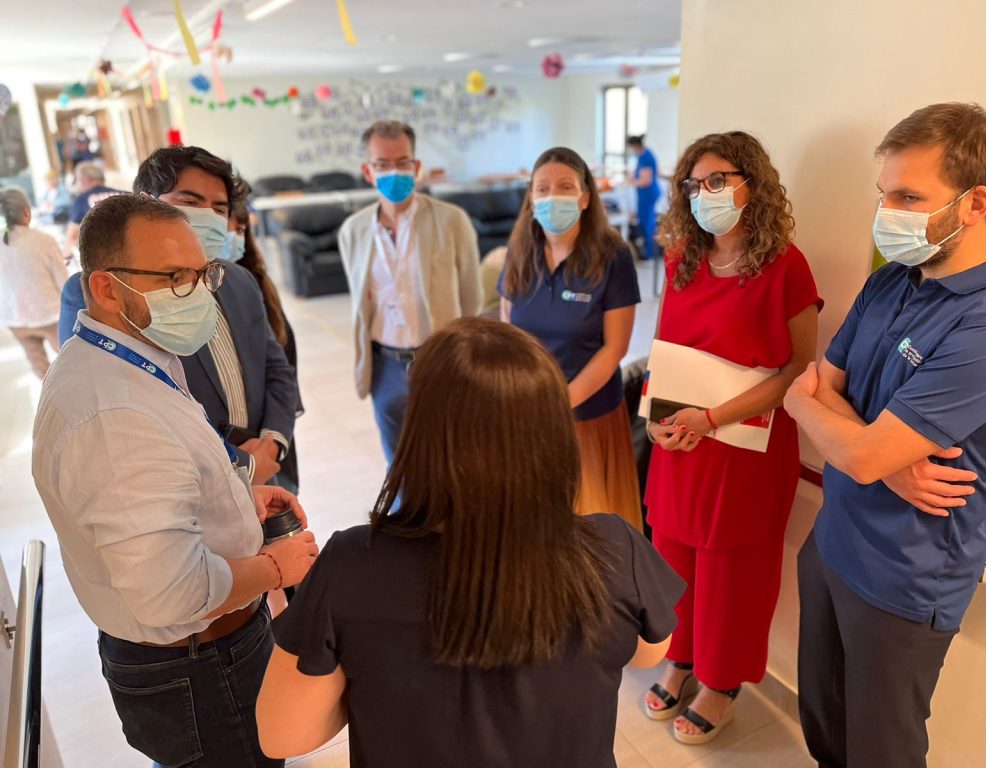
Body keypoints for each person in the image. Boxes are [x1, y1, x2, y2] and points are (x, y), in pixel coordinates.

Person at [255, 317, 686, 767]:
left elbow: (283, 734)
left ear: (421, 437)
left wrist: (372, 684)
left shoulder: (351, 567)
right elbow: (649, 653)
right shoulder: (614, 547)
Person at [32, 194, 319, 767]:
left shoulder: (123, 360)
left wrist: (234, 498)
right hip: (201, 668)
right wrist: (275, 569)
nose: (199, 294)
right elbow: (174, 591)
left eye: (201, 274)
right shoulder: (113, 415)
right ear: (106, 288)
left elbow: (160, 490)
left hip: (203, 652)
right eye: (174, 278)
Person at [784, 103, 986, 768]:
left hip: (904, 579)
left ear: (976, 203)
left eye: (909, 197)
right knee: (825, 730)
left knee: (881, 752)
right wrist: (884, 459)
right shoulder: (891, 281)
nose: (887, 212)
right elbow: (818, 389)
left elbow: (822, 408)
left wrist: (845, 437)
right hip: (833, 539)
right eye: (884, 194)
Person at [643, 132, 821, 745]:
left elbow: (797, 370)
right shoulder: (681, 260)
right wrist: (658, 421)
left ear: (753, 184)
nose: (705, 194)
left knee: (732, 575)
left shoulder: (786, 267)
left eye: (718, 180)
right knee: (674, 558)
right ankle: (680, 657)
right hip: (680, 443)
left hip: (746, 448)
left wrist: (712, 419)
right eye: (694, 184)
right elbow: (663, 352)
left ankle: (721, 682)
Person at [59, 146, 299, 486]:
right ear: (146, 202)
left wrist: (272, 444)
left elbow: (276, 368)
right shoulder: (105, 291)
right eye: (190, 202)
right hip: (182, 485)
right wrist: (242, 464)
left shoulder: (237, 279)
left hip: (267, 471)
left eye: (219, 208)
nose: (207, 217)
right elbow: (113, 407)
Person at [499, 146, 642, 529]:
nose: (552, 197)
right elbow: (508, 338)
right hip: (527, 417)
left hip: (589, 419)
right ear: (531, 198)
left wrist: (558, 405)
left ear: (585, 197)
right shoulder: (518, 255)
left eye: (565, 187)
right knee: (533, 529)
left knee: (589, 532)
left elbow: (615, 348)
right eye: (542, 188)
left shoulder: (613, 257)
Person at [337, 120, 482, 463]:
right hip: (385, 366)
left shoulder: (452, 221)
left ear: (416, 167)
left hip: (440, 360)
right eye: (382, 164)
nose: (393, 172)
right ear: (368, 172)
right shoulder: (353, 231)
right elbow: (361, 302)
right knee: (399, 463)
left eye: (402, 162)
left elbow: (471, 298)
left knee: (449, 459)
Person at [229, 177, 303, 493]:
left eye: (240, 228)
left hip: (273, 441)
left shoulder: (252, 280)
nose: (233, 235)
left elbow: (281, 365)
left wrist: (272, 442)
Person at [0, 187, 67, 379]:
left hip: (15, 318)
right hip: (50, 314)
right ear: (27, 212)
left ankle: (51, 394)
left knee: (38, 364)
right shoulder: (44, 241)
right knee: (68, 358)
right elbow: (64, 282)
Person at [64, 161, 124, 258]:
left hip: (102, 257)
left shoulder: (82, 199)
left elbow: (71, 236)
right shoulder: (126, 194)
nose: (77, 185)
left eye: (77, 180)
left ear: (86, 179)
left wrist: (65, 254)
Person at [627, 135, 662, 260]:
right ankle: (648, 251)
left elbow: (646, 180)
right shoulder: (643, 155)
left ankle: (648, 252)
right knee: (646, 220)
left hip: (648, 194)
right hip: (646, 193)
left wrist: (631, 182)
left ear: (635, 146)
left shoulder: (646, 157)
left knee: (646, 223)